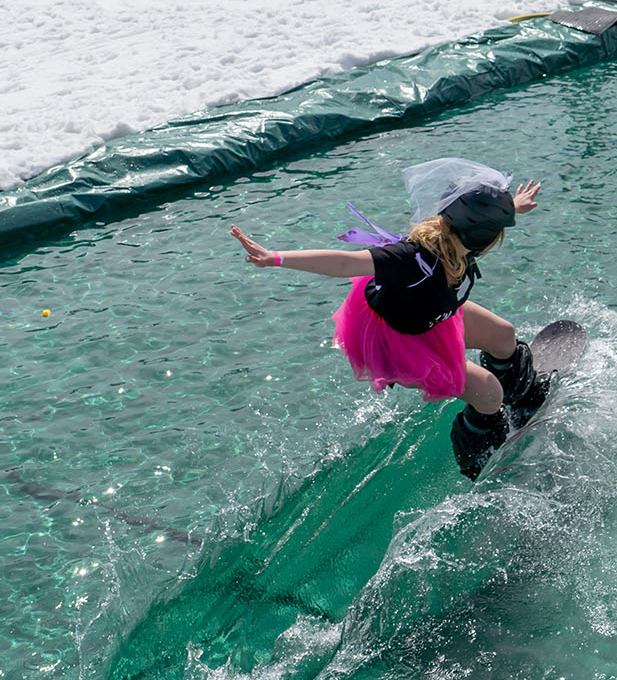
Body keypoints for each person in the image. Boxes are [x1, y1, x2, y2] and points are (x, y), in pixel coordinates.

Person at [230, 160, 548, 479]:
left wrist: (512, 207)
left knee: (503, 335)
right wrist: (275, 258)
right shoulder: (410, 258)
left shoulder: (460, 235)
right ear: (481, 234)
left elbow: (476, 214)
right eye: (497, 230)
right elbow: (344, 264)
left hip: (432, 313)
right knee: (489, 392)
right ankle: (479, 458)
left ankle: (522, 396)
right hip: (403, 342)